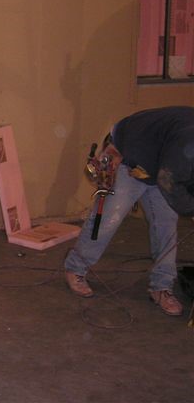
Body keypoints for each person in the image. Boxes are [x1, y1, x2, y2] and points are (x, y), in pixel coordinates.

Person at [65, 106, 194, 316]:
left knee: (166, 224)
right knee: (108, 218)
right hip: (127, 155)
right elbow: (169, 180)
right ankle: (76, 268)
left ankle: (161, 286)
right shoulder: (190, 138)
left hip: (160, 165)